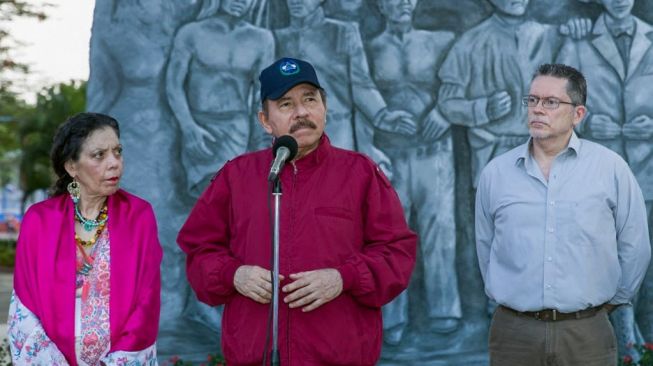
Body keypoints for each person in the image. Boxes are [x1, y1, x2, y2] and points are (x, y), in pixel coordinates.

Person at [177, 57, 417, 365]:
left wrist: (344, 278)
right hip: (257, 356)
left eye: (310, 99)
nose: (302, 112)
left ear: (324, 108)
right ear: (266, 120)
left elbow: (397, 253)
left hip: (338, 356)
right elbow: (198, 251)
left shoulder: (360, 173)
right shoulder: (236, 177)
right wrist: (233, 274)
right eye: (286, 104)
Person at [475, 63, 651, 365]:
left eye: (551, 102)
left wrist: (607, 305)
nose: (537, 109)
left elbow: (635, 248)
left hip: (587, 333)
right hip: (514, 333)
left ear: (578, 114)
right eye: (532, 100)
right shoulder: (496, 173)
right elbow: (485, 247)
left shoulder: (609, 169)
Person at [8, 113, 163, 365]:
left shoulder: (139, 215)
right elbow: (24, 303)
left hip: (119, 357)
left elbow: (147, 301)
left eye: (117, 151)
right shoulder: (39, 220)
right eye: (99, 155)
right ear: (72, 167)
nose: (114, 163)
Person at [557, 0, 653, 346]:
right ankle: (622, 340)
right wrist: (591, 121)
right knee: (602, 257)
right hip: (596, 172)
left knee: (641, 255)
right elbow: (555, 102)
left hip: (647, 171)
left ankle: (633, 339)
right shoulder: (578, 41)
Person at [366, 0, 460, 344]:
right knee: (389, 232)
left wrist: (444, 111)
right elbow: (359, 92)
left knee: (440, 228)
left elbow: (460, 82)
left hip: (434, 151)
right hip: (389, 153)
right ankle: (391, 314)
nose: (404, 3)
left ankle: (444, 309)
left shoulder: (442, 40)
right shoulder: (370, 46)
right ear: (379, 5)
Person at [437, 0, 591, 188]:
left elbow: (575, 94)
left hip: (546, 155)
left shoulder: (552, 36)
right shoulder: (469, 43)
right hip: (493, 157)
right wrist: (483, 109)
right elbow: (447, 103)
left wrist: (577, 36)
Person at [166, 0, 275, 197]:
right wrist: (188, 128)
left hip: (237, 130)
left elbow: (262, 95)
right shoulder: (191, 33)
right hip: (200, 129)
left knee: (233, 196)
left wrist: (261, 142)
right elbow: (173, 84)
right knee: (208, 196)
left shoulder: (262, 39)